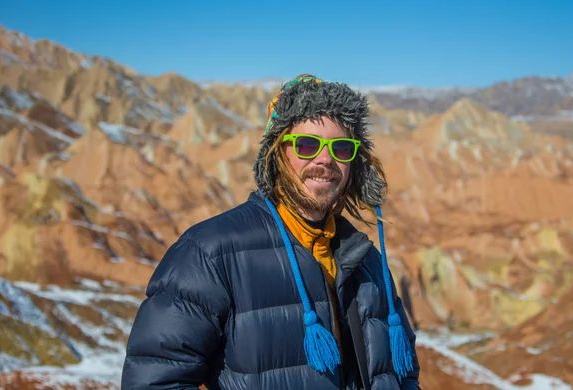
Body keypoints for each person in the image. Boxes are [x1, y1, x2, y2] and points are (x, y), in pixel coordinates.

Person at [121, 74, 421, 390]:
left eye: (342, 147)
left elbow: (405, 376)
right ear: (277, 154)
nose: (325, 159)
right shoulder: (209, 253)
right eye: (307, 145)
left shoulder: (367, 260)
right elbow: (154, 382)